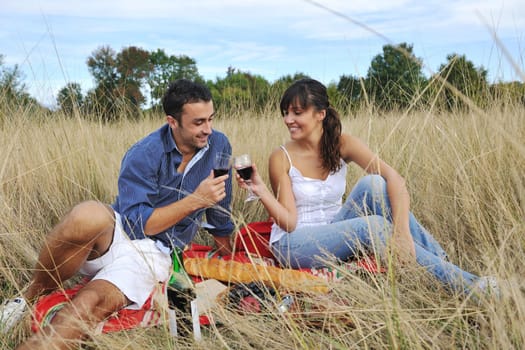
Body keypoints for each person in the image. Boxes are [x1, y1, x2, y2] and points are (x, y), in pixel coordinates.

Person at [0, 79, 235, 348]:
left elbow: (220, 202)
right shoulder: (145, 153)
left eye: (210, 119)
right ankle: (29, 297)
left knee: (88, 303)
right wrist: (195, 201)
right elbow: (137, 225)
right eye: (198, 123)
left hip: (154, 253)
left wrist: (226, 252)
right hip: (122, 229)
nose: (208, 129)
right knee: (87, 214)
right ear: (173, 121)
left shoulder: (218, 145)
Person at [236, 78, 497, 297]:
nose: (288, 119)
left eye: (297, 112)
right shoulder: (280, 157)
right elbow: (289, 223)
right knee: (374, 226)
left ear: (320, 114)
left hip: (335, 227)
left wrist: (403, 235)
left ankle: (444, 265)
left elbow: (395, 179)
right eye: (286, 113)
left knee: (374, 183)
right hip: (295, 244)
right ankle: (472, 288)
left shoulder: (343, 144)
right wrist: (260, 190)